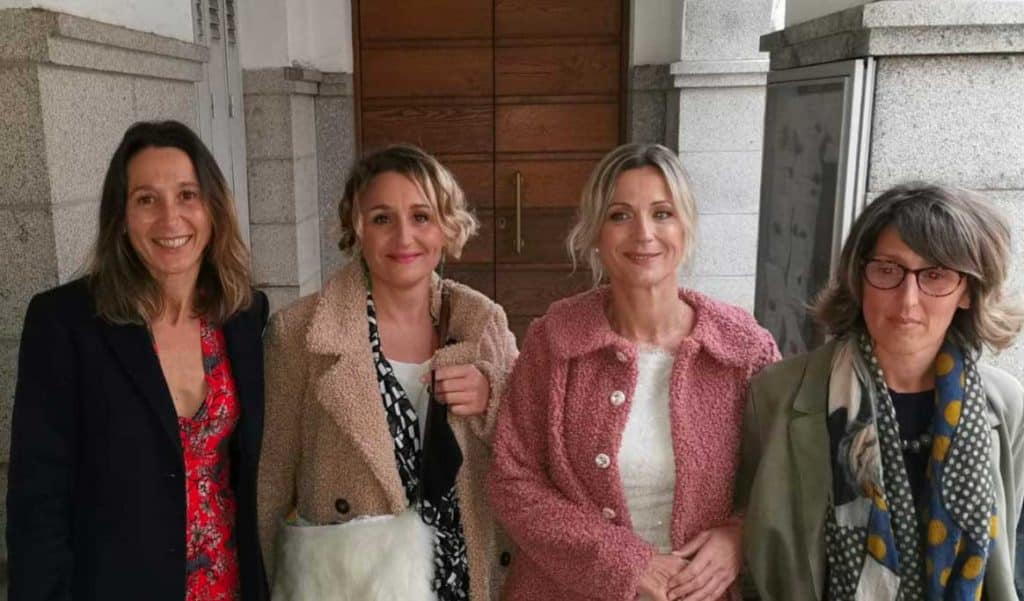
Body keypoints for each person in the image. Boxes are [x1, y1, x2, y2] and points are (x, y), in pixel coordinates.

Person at [487, 143, 780, 601]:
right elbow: (512, 479)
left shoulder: (743, 350)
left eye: (662, 213)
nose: (644, 233)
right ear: (595, 234)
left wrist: (739, 536)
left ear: (685, 227)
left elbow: (782, 476)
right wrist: (626, 564)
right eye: (620, 215)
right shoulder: (556, 340)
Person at [7, 120, 269, 601]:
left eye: (187, 195)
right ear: (121, 218)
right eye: (146, 199)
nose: (171, 219)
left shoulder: (244, 315)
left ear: (213, 209)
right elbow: (37, 498)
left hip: (231, 585)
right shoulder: (65, 323)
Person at [738, 183, 1024, 601]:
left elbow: (1006, 545)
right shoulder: (777, 396)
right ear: (859, 277)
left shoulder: (1005, 405)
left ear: (967, 291)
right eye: (888, 270)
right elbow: (752, 549)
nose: (908, 300)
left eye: (936, 275)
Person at [258, 144, 518, 600]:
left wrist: (493, 396)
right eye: (382, 218)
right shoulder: (299, 332)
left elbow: (531, 451)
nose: (403, 238)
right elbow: (273, 477)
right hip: (351, 585)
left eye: (421, 216)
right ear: (355, 229)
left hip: (464, 580)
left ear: (446, 227)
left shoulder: (482, 322)